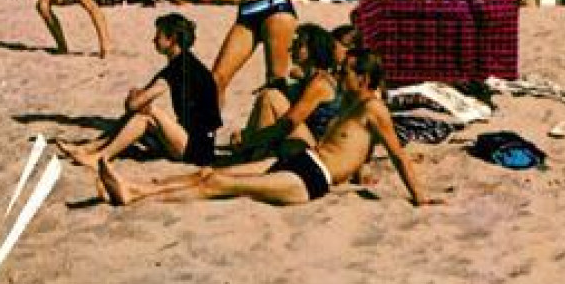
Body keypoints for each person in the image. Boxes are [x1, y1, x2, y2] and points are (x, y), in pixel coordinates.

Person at [99, 49, 432, 207]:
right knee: (206, 172)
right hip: (303, 160)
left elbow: (399, 156)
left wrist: (420, 197)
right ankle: (136, 184)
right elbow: (355, 150)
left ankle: (137, 195)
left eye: (346, 71)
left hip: (311, 180)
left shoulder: (375, 109)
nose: (340, 74)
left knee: (218, 183)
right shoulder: (351, 104)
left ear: (364, 78)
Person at [57, 13, 221, 169]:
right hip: (193, 141)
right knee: (143, 111)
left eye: (158, 36)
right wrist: (139, 98)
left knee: (148, 113)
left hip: (196, 150)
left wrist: (137, 99)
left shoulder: (180, 69)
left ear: (172, 40)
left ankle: (100, 157)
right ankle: (89, 148)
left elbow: (134, 103)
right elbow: (141, 96)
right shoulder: (184, 63)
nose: (153, 40)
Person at [231, 24, 340, 158]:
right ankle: (254, 153)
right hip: (308, 138)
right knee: (270, 95)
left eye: (299, 45)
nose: (291, 49)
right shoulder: (309, 78)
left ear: (313, 50)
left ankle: (256, 154)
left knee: (270, 97)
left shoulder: (320, 83)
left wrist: (251, 139)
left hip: (320, 148)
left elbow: (289, 123)